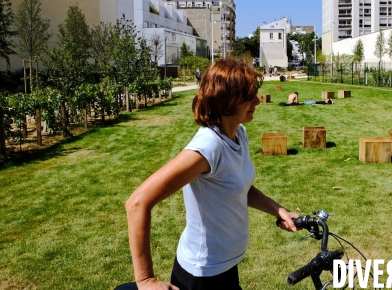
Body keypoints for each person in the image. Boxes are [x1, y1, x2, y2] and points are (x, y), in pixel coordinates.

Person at [126, 59, 298, 290]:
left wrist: (277, 209)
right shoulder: (208, 147)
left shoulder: (239, 133)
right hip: (202, 276)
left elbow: (238, 188)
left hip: (226, 267)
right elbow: (137, 203)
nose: (257, 101)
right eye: (250, 96)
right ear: (227, 100)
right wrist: (145, 279)